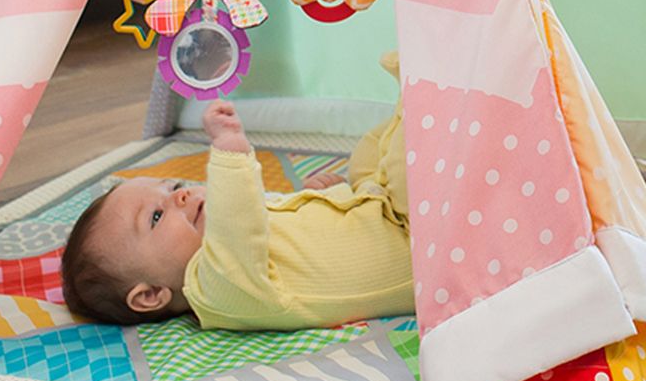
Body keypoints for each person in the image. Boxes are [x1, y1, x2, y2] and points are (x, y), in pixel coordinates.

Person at [60, 62, 411, 332]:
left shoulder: (226, 256)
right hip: (412, 241)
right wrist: (229, 150)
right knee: (407, 152)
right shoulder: (217, 292)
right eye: (156, 216)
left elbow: (281, 226)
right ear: (151, 295)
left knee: (367, 154)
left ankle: (415, 93)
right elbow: (237, 221)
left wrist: (320, 196)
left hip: (376, 208)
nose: (179, 197)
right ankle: (421, 91)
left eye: (172, 188)